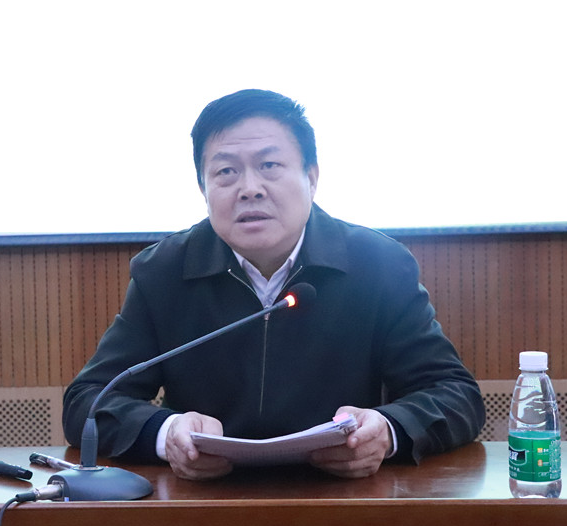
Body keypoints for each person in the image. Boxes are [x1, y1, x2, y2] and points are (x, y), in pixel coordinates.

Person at [62, 89, 485, 480]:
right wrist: (167, 431)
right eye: (226, 171)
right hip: (205, 505)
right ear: (203, 188)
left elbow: (456, 395)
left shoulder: (377, 264)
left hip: (342, 500)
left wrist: (387, 431)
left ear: (311, 177)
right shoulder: (164, 271)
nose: (250, 189)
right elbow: (88, 401)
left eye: (269, 166)